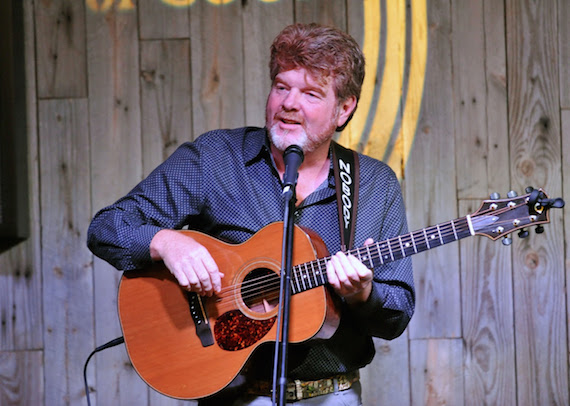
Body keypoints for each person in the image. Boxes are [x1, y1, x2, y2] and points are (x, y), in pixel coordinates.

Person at [87, 23, 414, 405]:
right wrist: (165, 241)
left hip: (331, 395)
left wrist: (363, 295)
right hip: (232, 394)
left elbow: (397, 315)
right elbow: (107, 228)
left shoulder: (374, 183)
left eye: (310, 93)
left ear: (344, 109)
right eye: (281, 87)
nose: (289, 103)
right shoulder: (214, 158)